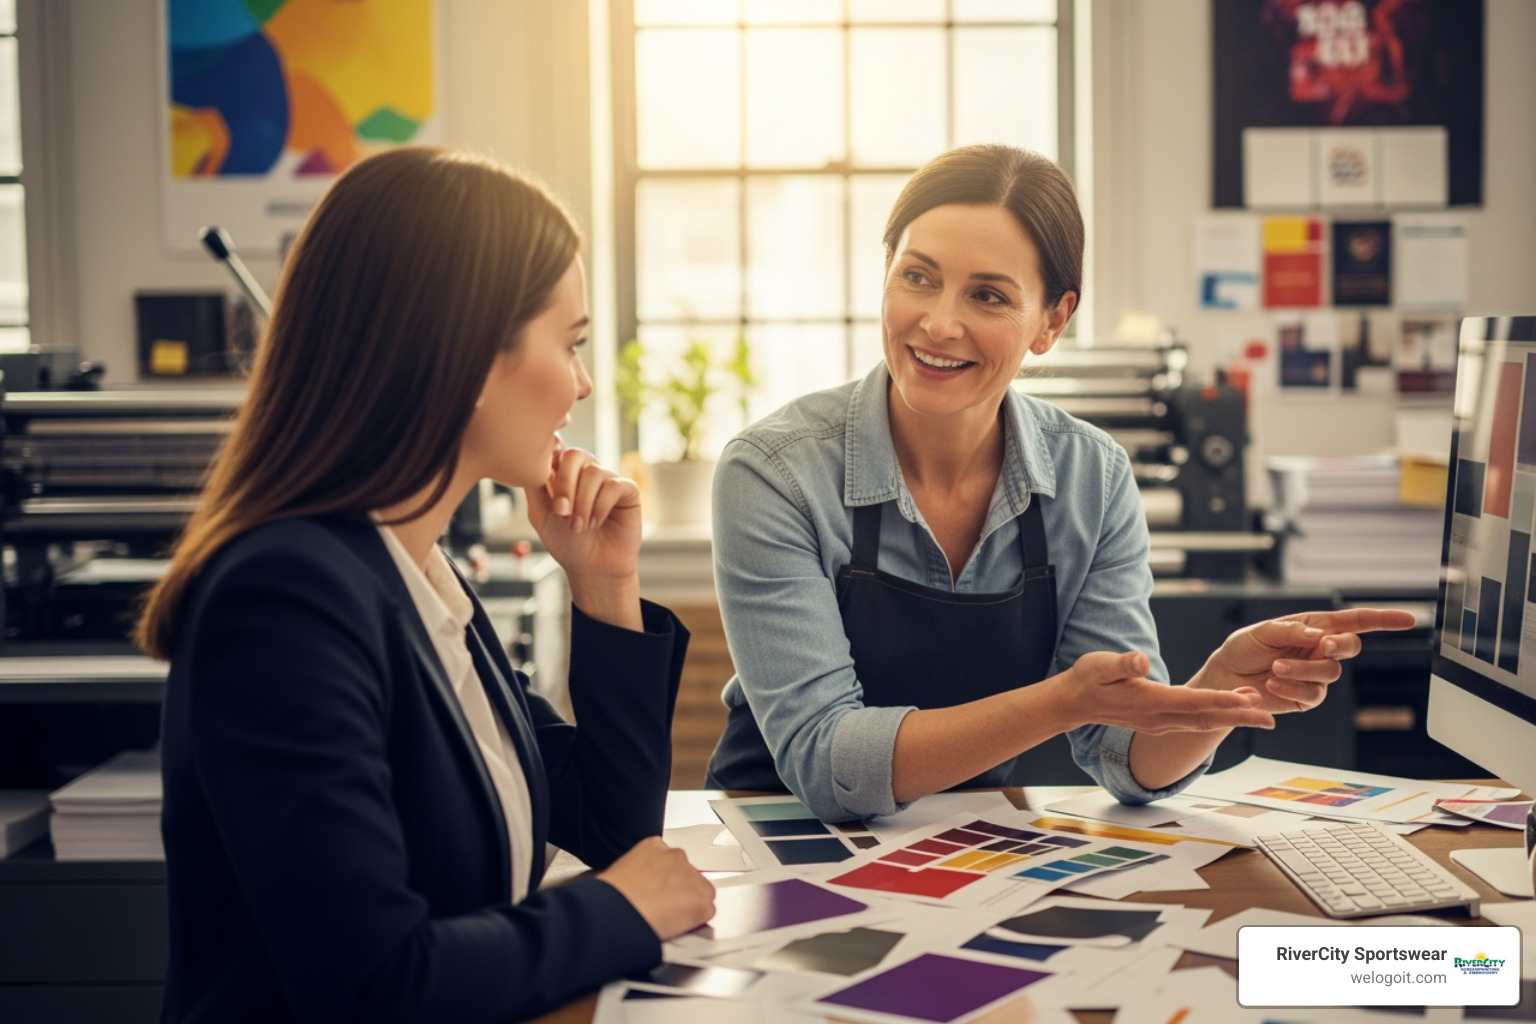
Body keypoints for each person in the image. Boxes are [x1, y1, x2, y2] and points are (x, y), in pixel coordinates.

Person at [137, 147, 714, 1023]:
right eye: (570, 344)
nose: (584, 382)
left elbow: (609, 833)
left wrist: (605, 585)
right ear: (470, 357)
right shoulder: (285, 602)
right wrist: (620, 911)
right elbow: (375, 986)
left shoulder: (420, 571)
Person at [705, 144, 1414, 823]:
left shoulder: (1092, 478)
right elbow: (827, 764)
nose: (939, 322)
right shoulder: (775, 472)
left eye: (987, 295)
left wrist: (1220, 689)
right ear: (886, 270)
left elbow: (1122, 756)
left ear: (1051, 321)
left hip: (959, 841)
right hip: (773, 831)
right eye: (917, 277)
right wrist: (1061, 702)